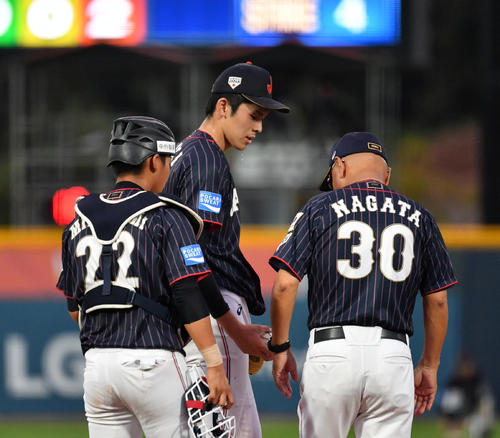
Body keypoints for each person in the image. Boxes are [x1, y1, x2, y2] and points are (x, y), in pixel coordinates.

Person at [267, 132, 458, 438]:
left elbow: (284, 286)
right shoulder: (422, 217)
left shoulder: (319, 208)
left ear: (339, 167)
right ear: (387, 175)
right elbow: (437, 300)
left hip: (333, 352)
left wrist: (280, 346)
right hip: (393, 356)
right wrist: (430, 365)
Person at [57, 116, 234, 437]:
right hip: (152, 362)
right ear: (154, 161)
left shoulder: (77, 220)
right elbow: (188, 295)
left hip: (98, 369)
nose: (169, 169)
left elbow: (75, 308)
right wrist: (214, 363)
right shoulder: (166, 215)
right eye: (167, 161)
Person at [164, 61, 290, 437]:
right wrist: (234, 328)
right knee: (239, 430)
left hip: (198, 313)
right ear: (223, 107)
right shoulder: (206, 161)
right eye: (253, 114)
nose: (259, 127)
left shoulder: (188, 153)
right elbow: (193, 252)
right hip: (214, 312)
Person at [440, 354, 495, 438]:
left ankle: (485, 428)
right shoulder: (454, 381)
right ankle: (454, 426)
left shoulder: (477, 379)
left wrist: (482, 418)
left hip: (476, 412)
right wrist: (449, 419)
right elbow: (448, 404)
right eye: (464, 366)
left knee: (487, 403)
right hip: (460, 414)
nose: (466, 369)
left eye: (468, 366)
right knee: (452, 434)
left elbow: (483, 401)